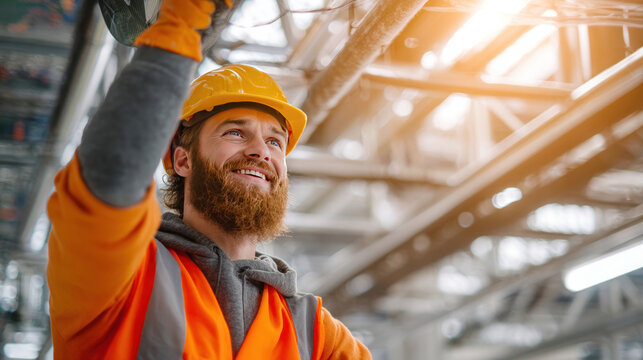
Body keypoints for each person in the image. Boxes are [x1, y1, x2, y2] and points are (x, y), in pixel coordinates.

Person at [45, 0, 372, 358]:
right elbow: (107, 178)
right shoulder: (120, 274)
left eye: (275, 141)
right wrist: (180, 29)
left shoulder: (314, 331)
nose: (261, 151)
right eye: (235, 133)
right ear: (183, 160)